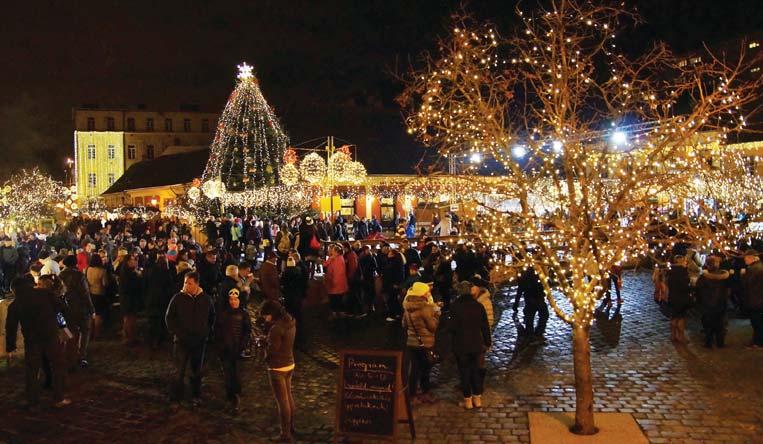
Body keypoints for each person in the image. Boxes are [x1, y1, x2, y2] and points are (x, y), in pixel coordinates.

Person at [5, 275, 71, 408]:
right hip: (50, 335)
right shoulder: (44, 294)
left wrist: (10, 346)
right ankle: (59, 397)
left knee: (32, 370)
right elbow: (62, 307)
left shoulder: (15, 304)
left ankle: (32, 400)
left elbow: (10, 326)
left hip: (32, 339)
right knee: (57, 366)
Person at [165, 271, 216, 407]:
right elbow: (169, 318)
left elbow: (212, 317)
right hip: (181, 340)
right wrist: (178, 332)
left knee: (196, 371)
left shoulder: (206, 299)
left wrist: (206, 332)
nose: (187, 285)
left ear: (197, 284)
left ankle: (195, 395)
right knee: (178, 370)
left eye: (190, 283)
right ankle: (175, 397)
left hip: (199, 341)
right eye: (185, 283)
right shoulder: (177, 298)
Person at [448, 281, 491, 409]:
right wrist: (487, 342)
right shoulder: (478, 306)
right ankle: (477, 398)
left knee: (464, 372)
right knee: (475, 371)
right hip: (476, 344)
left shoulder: (455, 306)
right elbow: (485, 326)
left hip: (461, 345)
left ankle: (468, 400)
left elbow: (452, 327)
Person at [261, 300, 297, 442]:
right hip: (290, 363)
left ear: (272, 313)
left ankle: (285, 434)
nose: (265, 318)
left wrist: (264, 346)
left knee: (282, 402)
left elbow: (272, 351)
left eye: (266, 315)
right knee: (289, 397)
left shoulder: (276, 328)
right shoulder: (291, 321)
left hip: (277, 367)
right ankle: (291, 426)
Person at [215, 287, 251, 412]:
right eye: (231, 299)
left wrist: (243, 345)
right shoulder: (223, 314)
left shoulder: (244, 314)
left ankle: (236, 395)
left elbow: (247, 331)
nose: (233, 302)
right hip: (226, 350)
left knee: (237, 374)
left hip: (238, 349)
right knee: (228, 374)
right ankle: (230, 396)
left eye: (236, 299)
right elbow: (218, 332)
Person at [402, 282, 439, 404]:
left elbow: (404, 324)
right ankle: (425, 393)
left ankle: (412, 395)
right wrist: (437, 315)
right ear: (423, 294)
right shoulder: (425, 308)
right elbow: (433, 327)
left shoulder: (407, 307)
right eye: (427, 292)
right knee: (425, 369)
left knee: (414, 369)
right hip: (425, 343)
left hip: (411, 343)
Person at [59, 255, 94, 368]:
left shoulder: (60, 276)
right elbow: (85, 293)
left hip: (67, 308)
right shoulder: (79, 275)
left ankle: (70, 356)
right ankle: (81, 356)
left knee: (71, 332)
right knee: (85, 331)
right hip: (81, 308)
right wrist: (91, 308)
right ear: (75, 264)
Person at [695, 256, 731, 348]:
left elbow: (698, 290)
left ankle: (709, 343)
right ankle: (720, 343)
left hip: (707, 305)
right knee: (720, 324)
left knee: (708, 325)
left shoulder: (703, 277)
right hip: (721, 304)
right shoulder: (725, 277)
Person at [145, 255, 175, 350]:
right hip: (162, 300)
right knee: (160, 320)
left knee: (153, 321)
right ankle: (158, 340)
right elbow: (169, 287)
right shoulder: (166, 273)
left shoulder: (151, 272)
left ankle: (152, 341)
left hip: (152, 299)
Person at [514, 266, 548, 339]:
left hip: (534, 299)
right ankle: (534, 334)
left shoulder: (527, 273)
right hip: (534, 299)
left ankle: (533, 333)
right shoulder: (536, 273)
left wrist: (516, 304)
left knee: (537, 316)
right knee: (536, 316)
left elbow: (520, 290)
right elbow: (520, 289)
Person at [666, 256, 692, 344]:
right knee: (681, 317)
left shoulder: (670, 271)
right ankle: (681, 336)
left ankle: (673, 335)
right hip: (681, 298)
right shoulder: (682, 272)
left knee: (673, 316)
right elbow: (685, 286)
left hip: (672, 297)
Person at [119, 255, 143, 345]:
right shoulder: (128, 273)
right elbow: (132, 286)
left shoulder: (127, 271)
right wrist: (138, 276)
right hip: (129, 299)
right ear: (128, 262)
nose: (135, 261)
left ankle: (129, 336)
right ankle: (130, 338)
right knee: (130, 319)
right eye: (132, 260)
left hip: (127, 298)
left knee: (129, 318)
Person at [281, 257, 307, 343]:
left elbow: (282, 283)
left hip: (288, 295)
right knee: (297, 311)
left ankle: (290, 324)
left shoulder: (285, 272)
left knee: (289, 310)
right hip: (297, 295)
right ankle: (298, 327)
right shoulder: (298, 271)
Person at [741, 249, 763, 348]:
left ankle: (758, 342)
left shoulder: (752, 269)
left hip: (755, 300)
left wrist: (743, 275)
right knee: (758, 322)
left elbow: (746, 284)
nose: (745, 261)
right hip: (759, 299)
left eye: (745, 259)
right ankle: (757, 341)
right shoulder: (759, 266)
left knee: (756, 322)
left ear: (751, 258)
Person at [85, 254, 110, 339]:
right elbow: (105, 283)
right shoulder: (102, 271)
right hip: (99, 293)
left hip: (90, 293)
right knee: (98, 315)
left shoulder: (88, 269)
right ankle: (97, 333)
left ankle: (90, 332)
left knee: (91, 314)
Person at [324, 244, 348, 319]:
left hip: (335, 283)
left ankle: (336, 314)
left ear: (337, 252)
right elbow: (325, 264)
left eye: (333, 251)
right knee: (337, 299)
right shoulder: (337, 258)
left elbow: (338, 273)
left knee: (335, 299)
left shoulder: (338, 260)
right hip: (337, 283)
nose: (332, 252)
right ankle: (338, 313)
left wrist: (332, 282)